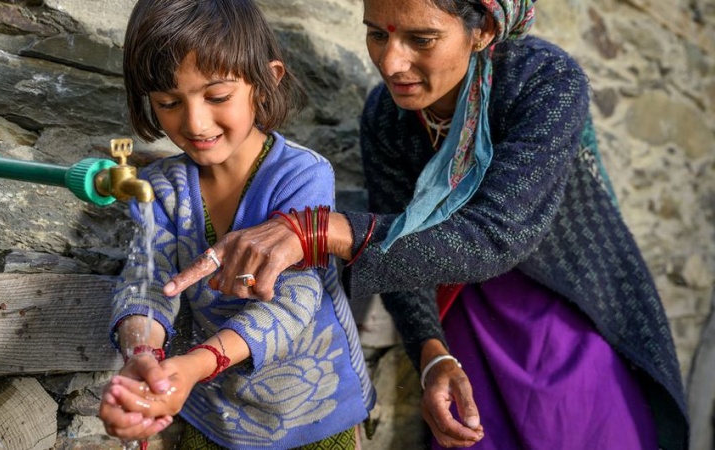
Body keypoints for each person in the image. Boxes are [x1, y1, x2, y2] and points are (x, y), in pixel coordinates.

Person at [159, 0, 691, 449]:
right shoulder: (388, 116)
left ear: (482, 30)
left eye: (422, 38)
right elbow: (406, 255)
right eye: (376, 34)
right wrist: (433, 354)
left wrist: (319, 231)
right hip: (458, 306)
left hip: (562, 307)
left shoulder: (543, 81)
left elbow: (497, 234)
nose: (392, 63)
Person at [97, 0, 376, 449]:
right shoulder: (160, 188)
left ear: (266, 82)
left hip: (314, 412)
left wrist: (192, 366)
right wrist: (144, 357)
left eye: (217, 96)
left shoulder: (301, 176)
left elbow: (293, 301)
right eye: (168, 102)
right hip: (212, 411)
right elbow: (147, 284)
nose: (195, 122)